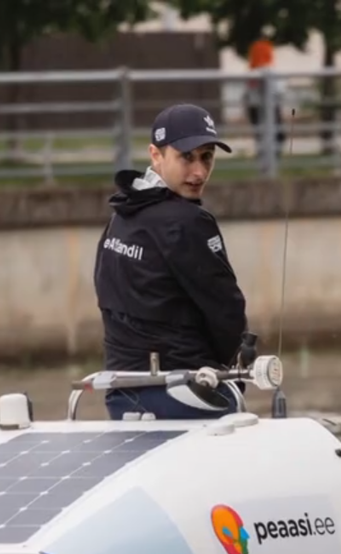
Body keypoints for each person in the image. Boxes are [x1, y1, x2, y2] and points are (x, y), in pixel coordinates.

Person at [93, 102, 247, 421]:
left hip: (122, 396)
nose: (199, 172)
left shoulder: (122, 215)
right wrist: (231, 370)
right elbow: (228, 312)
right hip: (185, 394)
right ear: (155, 155)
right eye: (186, 157)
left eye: (207, 157)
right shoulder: (187, 222)